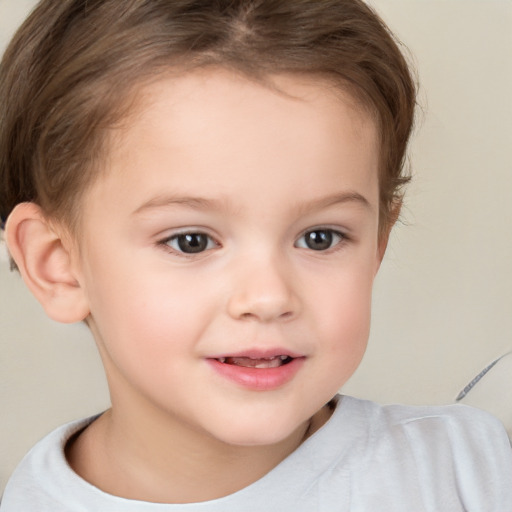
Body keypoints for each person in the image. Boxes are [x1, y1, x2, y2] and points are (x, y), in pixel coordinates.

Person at [0, 0, 510, 510]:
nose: (268, 297)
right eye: (191, 241)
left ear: (378, 242)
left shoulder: (468, 472)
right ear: (58, 265)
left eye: (320, 237)